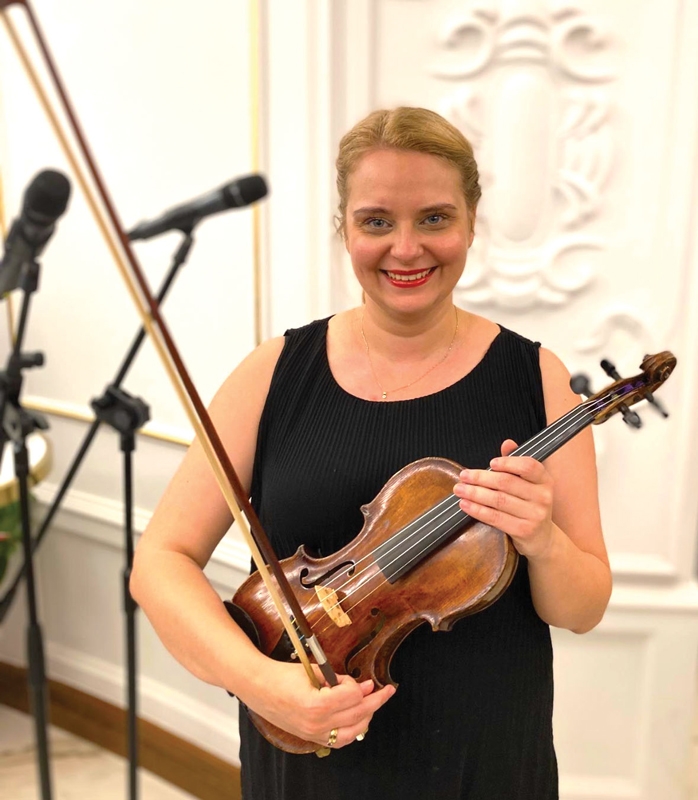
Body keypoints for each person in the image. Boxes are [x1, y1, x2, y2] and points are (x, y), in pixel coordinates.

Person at [130, 106, 611, 799]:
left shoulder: (538, 378)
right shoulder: (273, 372)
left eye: (435, 218)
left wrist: (543, 540)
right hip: (307, 756)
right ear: (345, 229)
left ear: (472, 223)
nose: (406, 248)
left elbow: (583, 607)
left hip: (485, 763)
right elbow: (159, 561)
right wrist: (262, 682)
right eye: (377, 221)